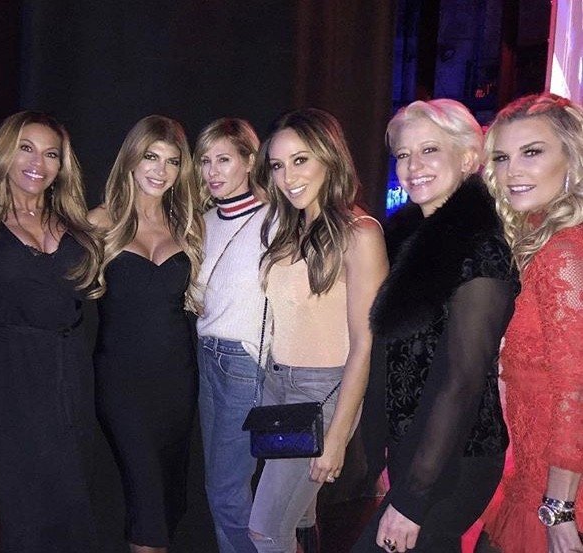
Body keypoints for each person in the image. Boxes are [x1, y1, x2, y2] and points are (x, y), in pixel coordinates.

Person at [352, 99, 519, 553]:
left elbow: (462, 383)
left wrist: (412, 498)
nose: (413, 166)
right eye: (403, 154)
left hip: (456, 458)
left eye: (430, 150)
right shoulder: (408, 241)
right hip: (419, 450)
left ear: (467, 158)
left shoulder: (480, 247)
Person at [0, 111, 103, 552]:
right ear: (5, 152)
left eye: (51, 153)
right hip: (11, 371)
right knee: (27, 501)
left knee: (77, 492)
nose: (38, 163)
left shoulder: (76, 222)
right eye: (26, 148)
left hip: (72, 367)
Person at [247, 107, 388, 553]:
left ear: (329, 157)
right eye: (277, 165)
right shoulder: (290, 226)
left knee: (265, 529)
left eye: (300, 160)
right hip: (277, 385)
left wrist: (338, 437)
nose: (288, 176)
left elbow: (365, 342)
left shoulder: (360, 233)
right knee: (299, 519)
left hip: (322, 392)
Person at [89, 115, 203, 553]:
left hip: (177, 380)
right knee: (147, 501)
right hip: (120, 384)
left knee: (168, 498)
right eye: (151, 157)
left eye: (172, 161)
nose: (160, 170)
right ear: (131, 160)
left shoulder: (188, 224)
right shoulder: (99, 222)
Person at [480, 93, 583, 553]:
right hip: (534, 472)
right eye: (502, 158)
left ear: (572, 158)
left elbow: (576, 387)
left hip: (558, 486)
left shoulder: (563, 252)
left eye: (532, 152)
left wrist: (559, 507)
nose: (512, 172)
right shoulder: (541, 239)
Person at [192, 118, 265, 553]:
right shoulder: (203, 221)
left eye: (224, 159)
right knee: (219, 484)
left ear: (249, 161)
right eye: (205, 161)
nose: (212, 171)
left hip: (245, 361)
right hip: (206, 354)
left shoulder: (276, 218)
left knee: (227, 489)